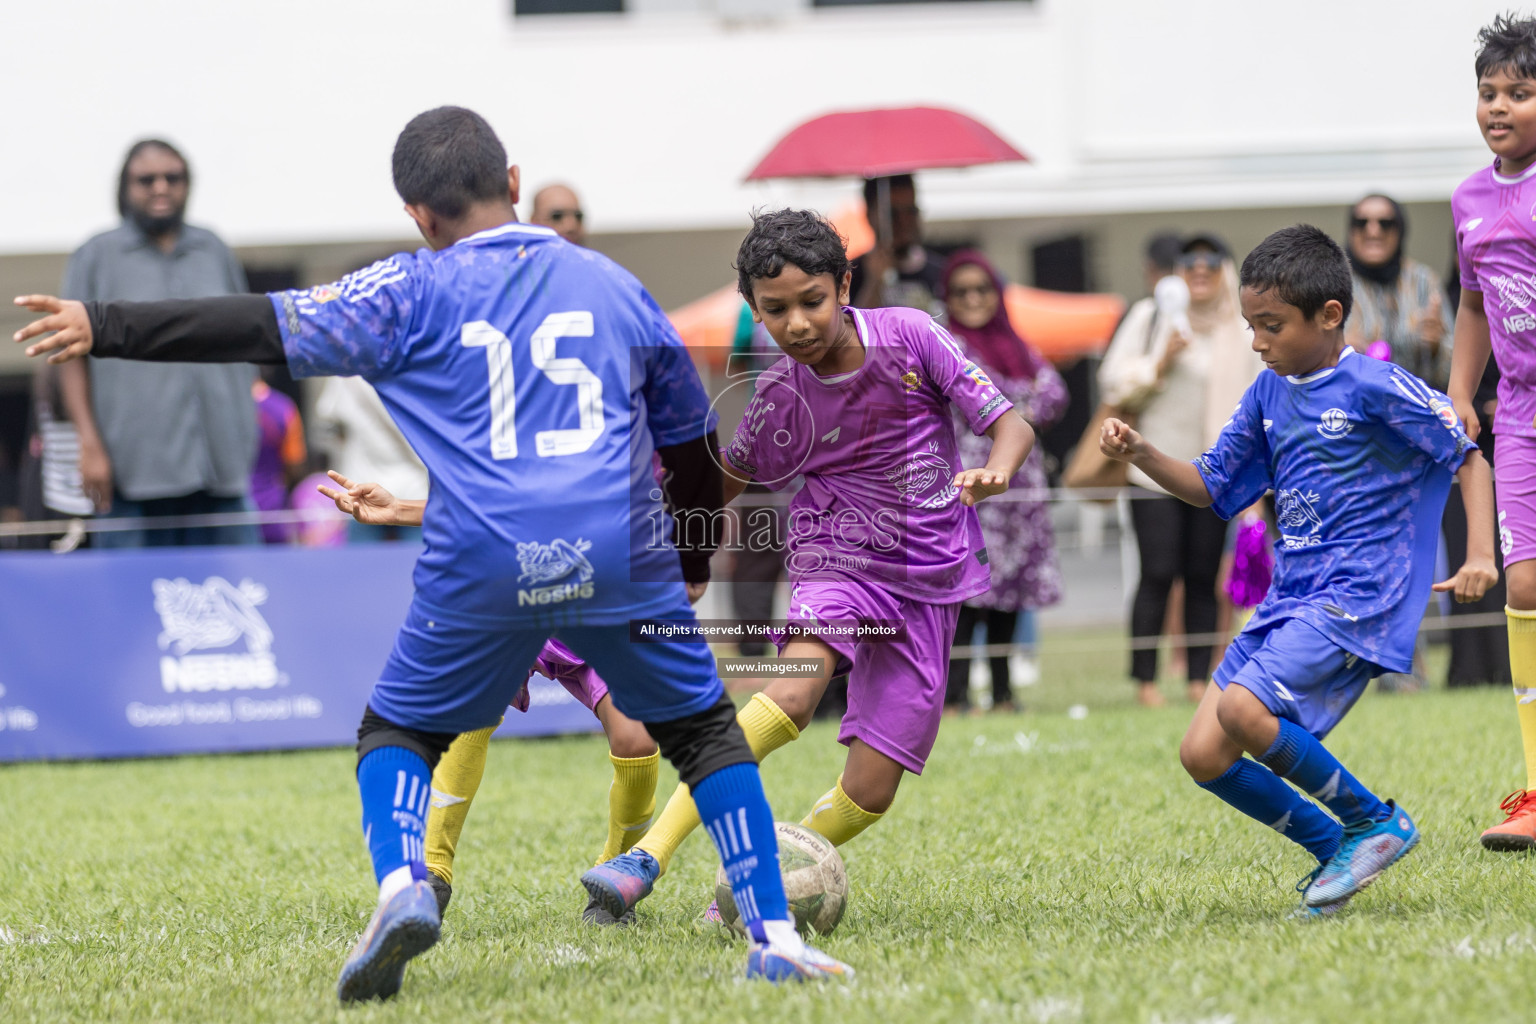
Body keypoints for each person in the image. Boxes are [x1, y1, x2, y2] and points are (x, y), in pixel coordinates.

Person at [14, 106, 851, 997]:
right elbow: (689, 442)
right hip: (618, 549)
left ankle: (406, 886)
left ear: (418, 214)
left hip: (481, 554)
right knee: (705, 735)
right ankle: (773, 937)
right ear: (516, 184)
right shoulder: (611, 285)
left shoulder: (402, 291)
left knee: (397, 731)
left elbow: (254, 325)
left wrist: (101, 322)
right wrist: (690, 557)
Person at [580, 208, 1035, 922]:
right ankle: (646, 858)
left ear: (844, 284)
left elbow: (1011, 422)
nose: (795, 324)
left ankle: (759, 884)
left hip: (930, 581)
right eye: (775, 310)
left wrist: (996, 472)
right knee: (793, 691)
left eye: (811, 301)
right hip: (836, 560)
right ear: (754, 311)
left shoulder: (911, 337)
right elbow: (726, 478)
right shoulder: (777, 399)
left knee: (871, 791)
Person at [1102, 224, 1496, 915]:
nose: (1258, 341)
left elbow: (1467, 457)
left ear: (1330, 316)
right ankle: (1335, 847)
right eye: (1252, 325)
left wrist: (1481, 555)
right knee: (1202, 753)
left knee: (1242, 709)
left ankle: (1376, 822)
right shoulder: (1267, 393)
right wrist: (1141, 453)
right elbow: (1209, 486)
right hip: (1293, 594)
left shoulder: (1376, 385)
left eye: (1272, 326)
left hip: (1359, 594)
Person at [57, 138, 258, 547]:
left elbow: (248, 335)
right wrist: (89, 445)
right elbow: (68, 355)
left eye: (173, 178)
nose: (161, 188)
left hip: (221, 472)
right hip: (134, 475)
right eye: (146, 180)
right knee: (131, 605)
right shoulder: (96, 255)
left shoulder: (212, 249)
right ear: (125, 188)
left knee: (235, 601)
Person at [1098, 234, 1263, 706]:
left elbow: (1255, 395)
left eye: (1212, 261)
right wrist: (1160, 361)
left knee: (1203, 576)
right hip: (1150, 470)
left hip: (1214, 474)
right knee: (1157, 572)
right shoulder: (1150, 317)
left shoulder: (1240, 326)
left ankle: (1197, 677)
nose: (1201, 269)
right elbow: (1112, 380)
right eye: (1190, 262)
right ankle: (1146, 682)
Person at [1447, 14, 1536, 852]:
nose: (1498, 107)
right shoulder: (1468, 199)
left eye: (1519, 91)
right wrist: (1460, 394)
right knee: (1524, 589)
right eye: (1488, 92)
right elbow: (1473, 305)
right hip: (1519, 416)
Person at [939, 251, 1066, 713]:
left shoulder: (1016, 344)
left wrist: (1017, 412)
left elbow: (1055, 390)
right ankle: (953, 696)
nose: (973, 299)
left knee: (1009, 596)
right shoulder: (946, 344)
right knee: (966, 591)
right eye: (961, 292)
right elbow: (978, 391)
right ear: (947, 298)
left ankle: (1003, 693)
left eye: (982, 289)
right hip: (969, 487)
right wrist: (1017, 403)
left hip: (1018, 490)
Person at [1344, 194, 1455, 391]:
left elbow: (1457, 372)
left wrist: (1436, 347)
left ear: (1400, 231)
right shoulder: (1334, 283)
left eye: (1385, 223)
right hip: (1349, 410)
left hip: (1415, 408)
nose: (1373, 231)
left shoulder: (1424, 282)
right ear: (1351, 231)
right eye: (1361, 223)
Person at [313, 374, 428, 544]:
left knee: (362, 565)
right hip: (411, 486)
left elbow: (329, 421)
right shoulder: (424, 371)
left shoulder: (349, 369)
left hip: (363, 487)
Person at [848, 174, 946, 314]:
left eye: (910, 211)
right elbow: (854, 330)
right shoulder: (848, 276)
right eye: (892, 214)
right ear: (869, 215)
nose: (904, 222)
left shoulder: (942, 273)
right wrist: (874, 283)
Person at [249, 370, 307, 544]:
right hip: (273, 508)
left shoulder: (226, 407)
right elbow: (295, 463)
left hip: (231, 509)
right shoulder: (283, 407)